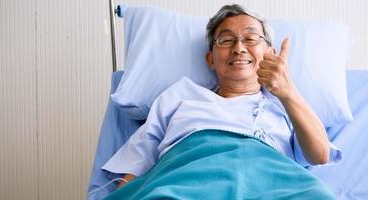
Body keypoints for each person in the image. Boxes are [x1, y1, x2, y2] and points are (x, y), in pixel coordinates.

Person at [102, 4, 340, 199]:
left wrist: (288, 92)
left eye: (251, 38)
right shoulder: (181, 95)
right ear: (211, 59)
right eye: (226, 40)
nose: (239, 48)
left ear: (270, 53)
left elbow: (320, 154)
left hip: (272, 181)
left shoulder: (286, 104)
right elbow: (143, 151)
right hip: (187, 178)